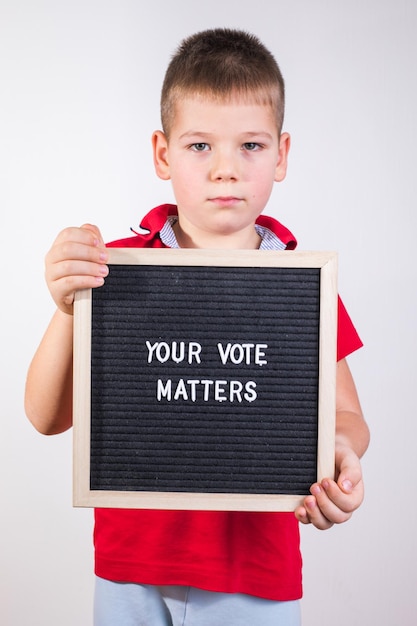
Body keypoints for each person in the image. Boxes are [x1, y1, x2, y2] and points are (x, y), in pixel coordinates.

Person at [25, 28, 370, 626]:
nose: (226, 171)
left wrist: (339, 451)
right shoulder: (110, 270)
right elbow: (46, 416)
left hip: (255, 575)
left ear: (283, 154)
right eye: (200, 146)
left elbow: (347, 418)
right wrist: (66, 307)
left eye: (252, 146)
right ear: (162, 153)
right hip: (131, 567)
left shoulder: (301, 287)